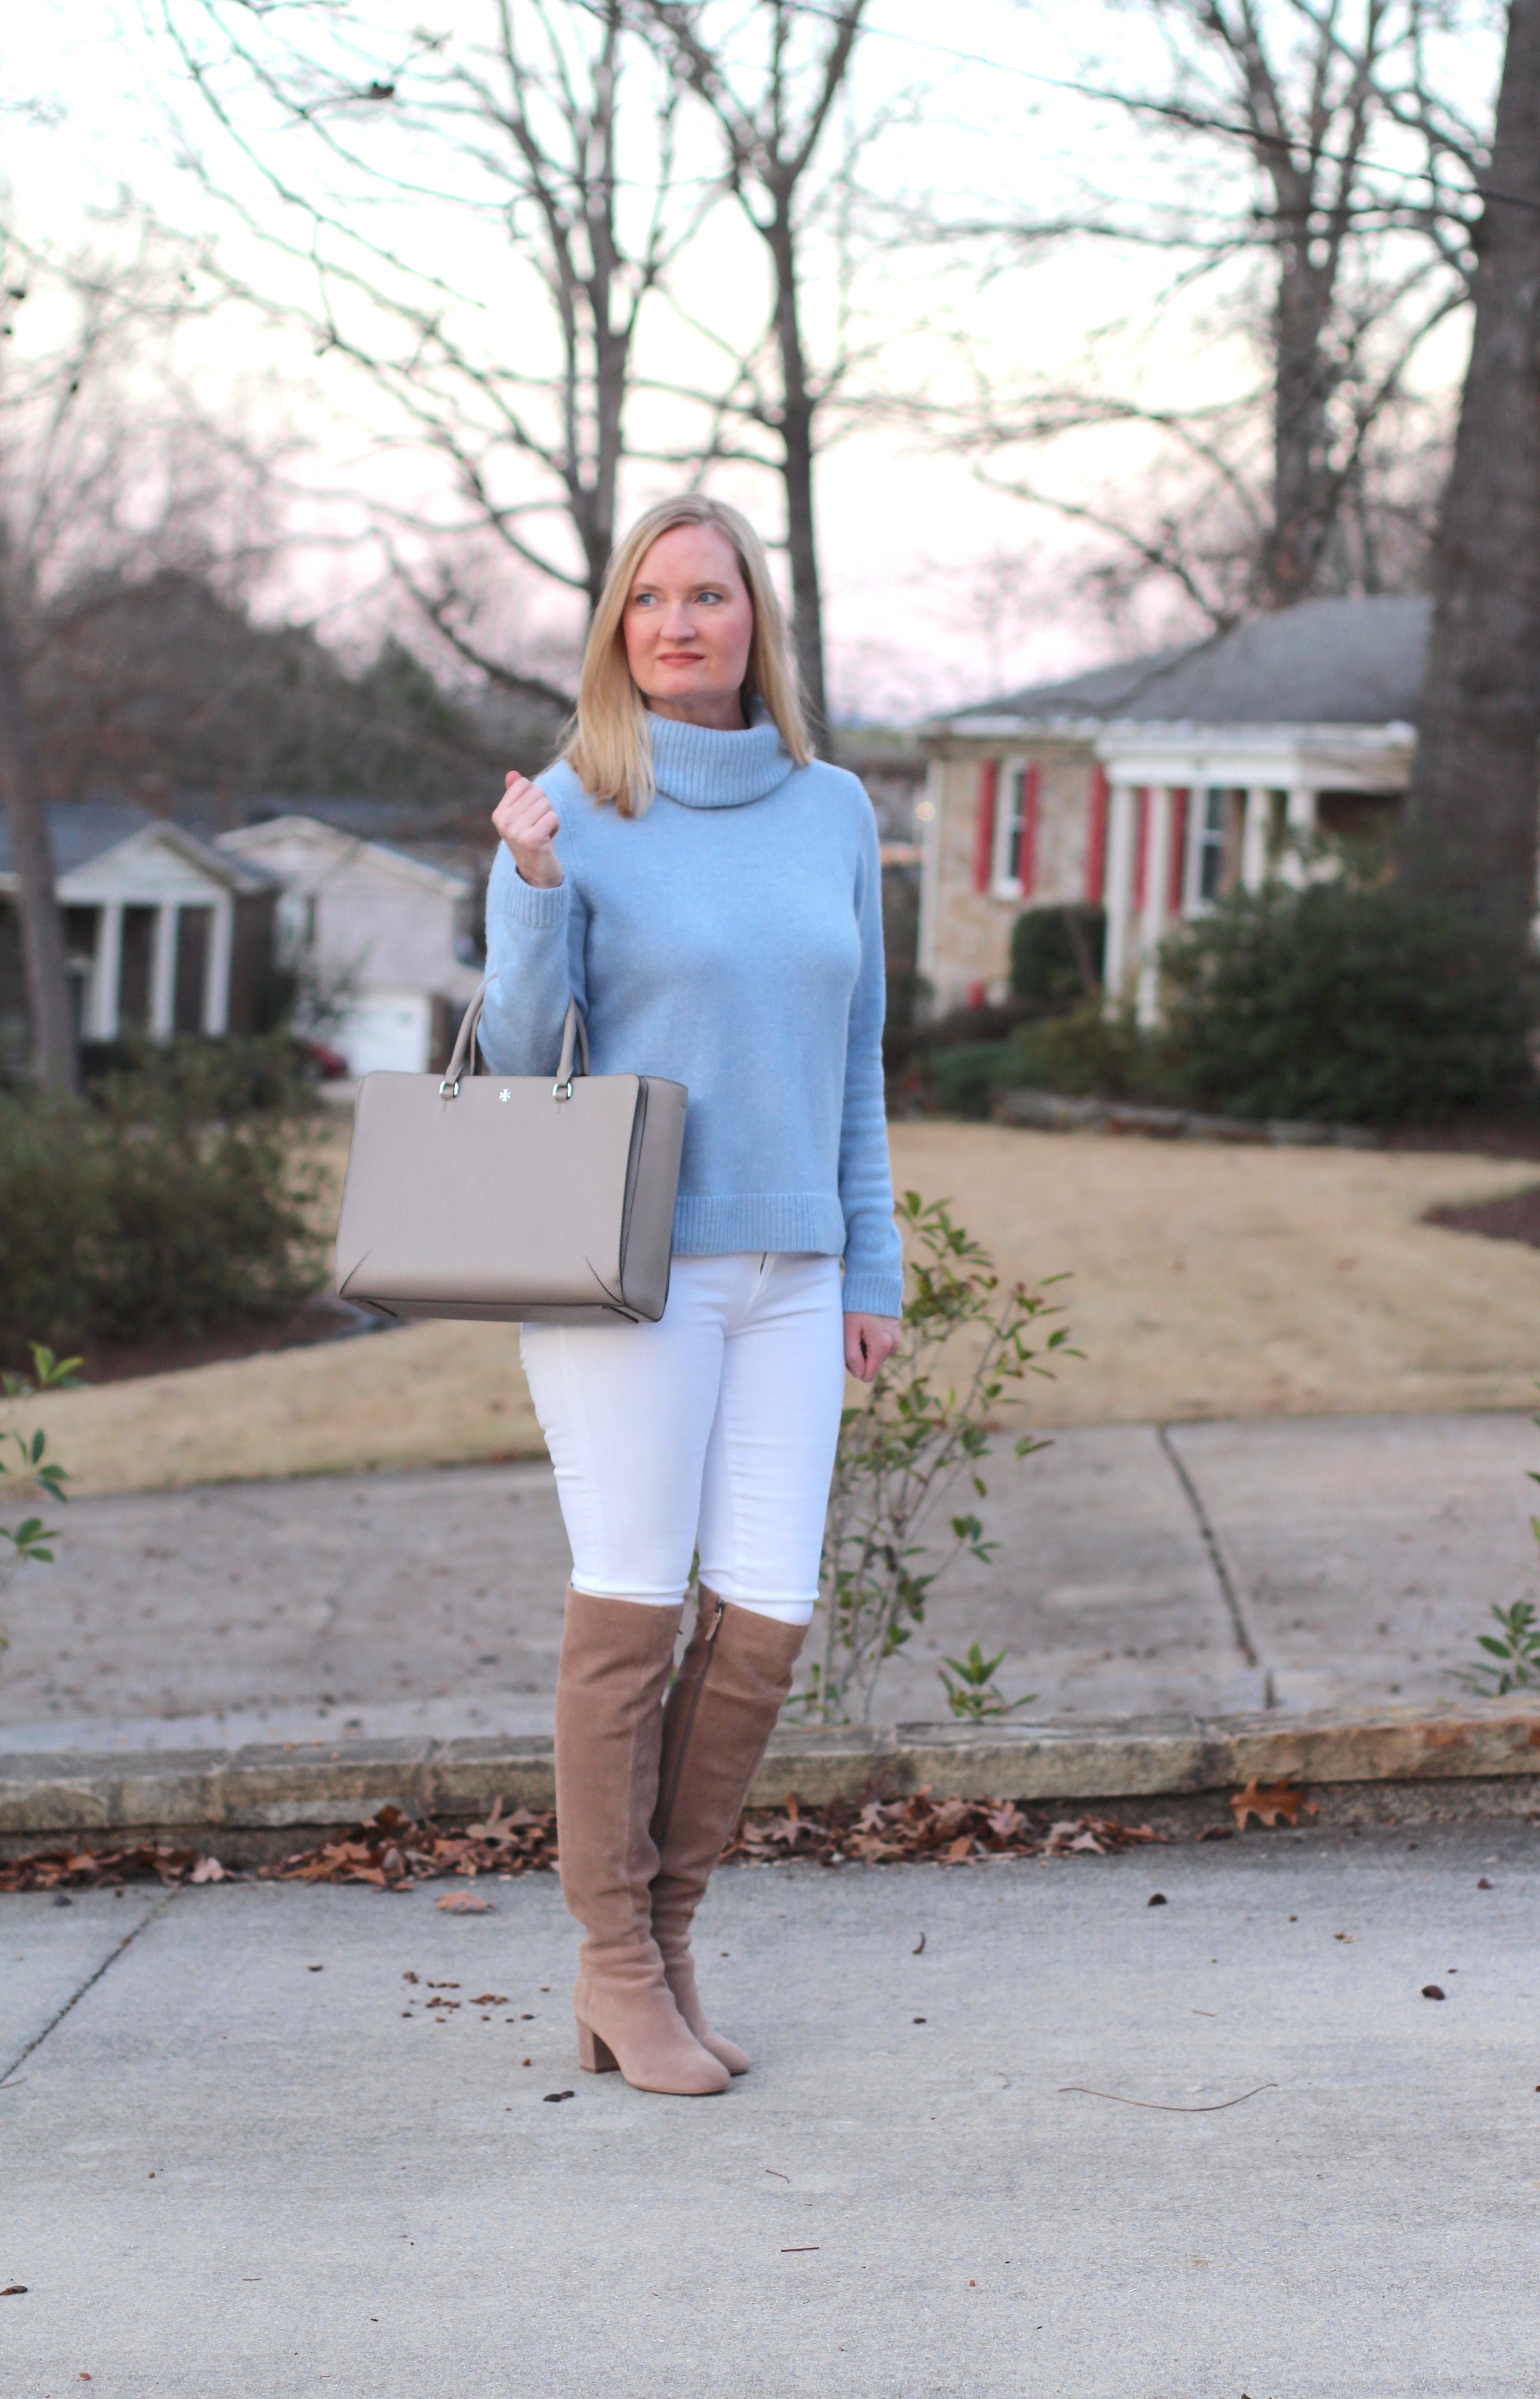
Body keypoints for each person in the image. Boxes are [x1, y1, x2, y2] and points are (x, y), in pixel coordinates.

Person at [481, 494, 903, 2098]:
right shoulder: (576, 806)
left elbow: (854, 1059)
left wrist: (872, 1261)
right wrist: (526, 889)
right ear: (617, 627)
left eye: (708, 596)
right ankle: (613, 1963)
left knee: (768, 1615)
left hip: (795, 1273)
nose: (678, 623)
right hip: (629, 1270)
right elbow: (523, 1066)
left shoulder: (837, 811)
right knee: (635, 1598)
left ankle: (660, 1938)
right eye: (648, 599)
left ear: (752, 623)